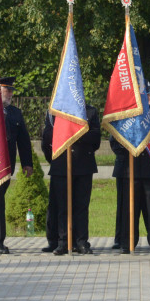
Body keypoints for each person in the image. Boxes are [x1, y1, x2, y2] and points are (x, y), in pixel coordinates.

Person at [111, 82, 150, 253]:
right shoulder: (126, 116)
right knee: (128, 209)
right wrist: (128, 154)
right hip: (129, 170)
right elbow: (115, 142)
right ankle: (127, 243)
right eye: (147, 95)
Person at [41, 103, 101, 255]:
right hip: (61, 166)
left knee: (81, 207)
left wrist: (74, 133)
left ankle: (81, 242)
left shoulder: (90, 111)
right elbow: (47, 138)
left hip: (83, 165)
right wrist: (54, 160)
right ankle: (63, 242)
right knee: (62, 207)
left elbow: (96, 139)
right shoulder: (55, 111)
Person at [0, 76, 34, 255]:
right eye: (7, 90)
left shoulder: (15, 113)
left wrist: (27, 163)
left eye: (12, 91)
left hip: (7, 165)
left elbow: (23, 140)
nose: (10, 94)